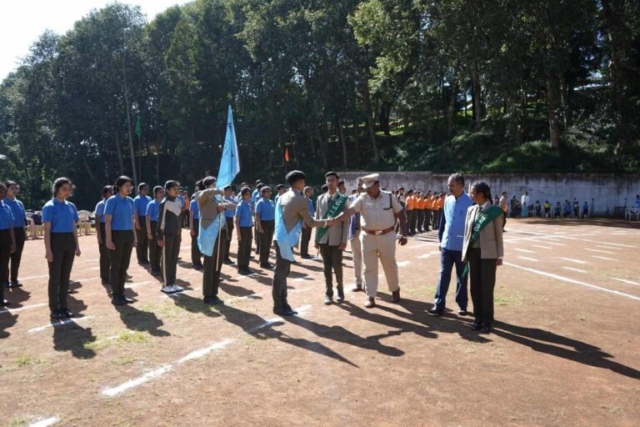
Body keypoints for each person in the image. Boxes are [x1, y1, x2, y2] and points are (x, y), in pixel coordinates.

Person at [333, 174, 408, 308]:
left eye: (370, 187)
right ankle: (371, 295)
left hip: (387, 236)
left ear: (377, 185)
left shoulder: (389, 197)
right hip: (367, 237)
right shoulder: (362, 198)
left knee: (389, 265)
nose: (367, 190)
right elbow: (350, 211)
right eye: (365, 188)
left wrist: (404, 234)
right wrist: (335, 219)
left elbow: (401, 214)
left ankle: (395, 289)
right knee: (369, 267)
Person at [272, 170, 331, 316]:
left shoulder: (282, 196)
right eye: (303, 181)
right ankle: (278, 305)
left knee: (283, 272)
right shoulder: (300, 199)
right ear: (298, 182)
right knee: (281, 272)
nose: (304, 184)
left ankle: (283, 303)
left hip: (280, 236)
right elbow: (310, 222)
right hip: (286, 239)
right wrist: (327, 222)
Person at [427, 173, 473, 317]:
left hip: (462, 247)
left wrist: (469, 246)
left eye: (452, 185)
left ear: (460, 185)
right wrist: (441, 240)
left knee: (462, 277)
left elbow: (472, 226)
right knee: (443, 275)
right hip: (447, 245)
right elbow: (443, 222)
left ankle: (462, 305)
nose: (449, 188)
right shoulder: (447, 200)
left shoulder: (470, 202)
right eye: (448, 185)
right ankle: (438, 304)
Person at [462, 181, 504, 333]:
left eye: (472, 193)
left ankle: (487, 321)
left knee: (486, 288)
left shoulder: (494, 212)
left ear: (480, 195)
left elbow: (499, 235)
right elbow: (467, 234)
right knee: (474, 287)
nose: (470, 195)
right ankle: (477, 318)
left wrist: (500, 255)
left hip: (489, 255)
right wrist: (464, 253)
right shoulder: (471, 210)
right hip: (473, 253)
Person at [42, 178, 80, 318]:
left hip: (69, 240)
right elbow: (47, 230)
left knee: (65, 276)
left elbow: (73, 227)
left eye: (69, 189)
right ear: (56, 189)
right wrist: (48, 250)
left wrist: (77, 245)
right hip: (56, 241)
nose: (67, 192)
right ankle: (54, 308)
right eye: (64, 189)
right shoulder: (49, 206)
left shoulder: (71, 206)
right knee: (55, 276)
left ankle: (64, 306)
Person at [315, 172, 349, 305]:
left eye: (333, 180)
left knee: (337, 266)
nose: (330, 183)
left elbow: (346, 221)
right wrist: (316, 239)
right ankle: (328, 293)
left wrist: (344, 240)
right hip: (323, 238)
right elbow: (318, 219)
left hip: (337, 239)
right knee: (326, 267)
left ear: (337, 181)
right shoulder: (320, 199)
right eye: (328, 180)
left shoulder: (343, 199)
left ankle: (340, 289)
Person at [105, 176, 136, 305]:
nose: (129, 188)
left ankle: (122, 294)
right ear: (119, 187)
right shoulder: (112, 201)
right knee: (116, 266)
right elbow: (107, 222)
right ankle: (115, 295)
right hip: (116, 234)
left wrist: (134, 236)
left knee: (124, 266)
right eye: (126, 186)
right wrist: (109, 239)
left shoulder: (130, 201)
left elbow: (132, 220)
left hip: (128, 234)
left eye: (130, 186)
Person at [196, 176, 227, 305]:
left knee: (217, 264)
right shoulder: (200, 194)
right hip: (209, 234)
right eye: (213, 184)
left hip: (220, 232)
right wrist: (218, 190)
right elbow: (205, 193)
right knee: (209, 264)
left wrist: (223, 206)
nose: (216, 187)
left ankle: (214, 292)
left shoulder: (216, 197)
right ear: (207, 186)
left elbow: (231, 204)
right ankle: (208, 294)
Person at [157, 181, 184, 294]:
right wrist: (160, 237)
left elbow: (180, 220)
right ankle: (166, 284)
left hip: (176, 235)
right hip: (167, 235)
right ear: (167, 190)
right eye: (174, 189)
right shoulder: (165, 203)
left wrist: (180, 233)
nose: (176, 191)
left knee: (174, 259)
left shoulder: (178, 201)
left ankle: (173, 282)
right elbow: (161, 221)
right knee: (166, 259)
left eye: (177, 189)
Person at [4, 181, 26, 289]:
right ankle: (4, 280)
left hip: (19, 232)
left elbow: (23, 220)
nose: (14, 190)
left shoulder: (20, 203)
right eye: (12, 188)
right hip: (7, 232)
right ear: (6, 190)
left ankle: (14, 279)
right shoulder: (3, 203)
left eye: (16, 188)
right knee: (5, 257)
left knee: (17, 257)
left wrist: (24, 233)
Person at [0, 183, 16, 307]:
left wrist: (13, 242)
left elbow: (11, 227)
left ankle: (1, 298)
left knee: (3, 268)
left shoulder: (6, 207)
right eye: (1, 191)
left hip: (5, 238)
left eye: (4, 191)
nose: (3, 194)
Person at [95, 185, 113, 285]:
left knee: (113, 253)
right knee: (105, 254)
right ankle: (105, 277)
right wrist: (99, 235)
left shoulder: (114, 203)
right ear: (105, 194)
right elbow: (97, 221)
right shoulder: (101, 204)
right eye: (110, 192)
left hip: (112, 228)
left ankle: (112, 275)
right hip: (103, 228)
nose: (112, 193)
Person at [348, 179, 365, 292]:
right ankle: (358, 282)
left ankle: (368, 283)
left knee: (368, 259)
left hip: (367, 233)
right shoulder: (351, 199)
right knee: (356, 258)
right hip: (355, 232)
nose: (361, 187)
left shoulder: (370, 199)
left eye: (362, 185)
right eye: (359, 184)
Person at [146, 186, 164, 276]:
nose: (162, 193)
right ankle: (154, 268)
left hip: (161, 226)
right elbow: (148, 218)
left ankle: (158, 266)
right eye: (160, 192)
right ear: (155, 194)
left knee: (159, 248)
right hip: (153, 225)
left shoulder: (164, 203)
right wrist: (149, 232)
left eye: (163, 192)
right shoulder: (151, 204)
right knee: (153, 248)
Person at [256, 186, 276, 269]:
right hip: (264, 224)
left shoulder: (271, 202)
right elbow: (257, 215)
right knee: (264, 244)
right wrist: (260, 227)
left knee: (268, 243)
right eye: (267, 192)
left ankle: (266, 261)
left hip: (271, 223)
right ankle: (262, 262)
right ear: (263, 193)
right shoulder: (260, 202)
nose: (269, 193)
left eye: (269, 191)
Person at [235, 187, 254, 275]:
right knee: (242, 248)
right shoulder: (240, 206)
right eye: (246, 194)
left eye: (249, 194)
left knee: (247, 248)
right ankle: (241, 267)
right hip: (242, 229)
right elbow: (237, 220)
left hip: (249, 228)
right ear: (243, 195)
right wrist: (238, 234)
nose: (248, 196)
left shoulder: (249, 205)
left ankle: (246, 266)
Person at [133, 183, 152, 265]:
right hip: (140, 219)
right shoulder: (137, 199)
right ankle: (140, 258)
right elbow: (136, 212)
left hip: (148, 220)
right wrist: (137, 223)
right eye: (144, 189)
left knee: (146, 240)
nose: (146, 191)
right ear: (140, 190)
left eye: (147, 189)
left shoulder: (149, 198)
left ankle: (145, 257)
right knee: (140, 241)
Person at [190, 181, 204, 270]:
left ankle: (199, 261)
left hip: (202, 222)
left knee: (201, 242)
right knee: (195, 243)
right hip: (196, 222)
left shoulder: (203, 202)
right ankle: (195, 262)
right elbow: (191, 216)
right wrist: (191, 228)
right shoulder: (193, 202)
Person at [222, 185, 237, 265]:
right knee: (226, 239)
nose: (230, 191)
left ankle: (226, 256)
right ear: (225, 191)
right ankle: (224, 257)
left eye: (231, 190)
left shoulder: (232, 199)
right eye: (228, 190)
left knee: (229, 239)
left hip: (230, 219)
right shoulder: (223, 199)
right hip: (225, 220)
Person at [299, 186, 314, 259]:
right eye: (308, 191)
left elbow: (312, 211)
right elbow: (301, 212)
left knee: (308, 237)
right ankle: (303, 253)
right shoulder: (302, 200)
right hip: (304, 221)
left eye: (310, 191)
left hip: (310, 221)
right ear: (305, 192)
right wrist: (303, 222)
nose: (310, 193)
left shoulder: (310, 201)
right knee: (304, 238)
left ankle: (306, 252)